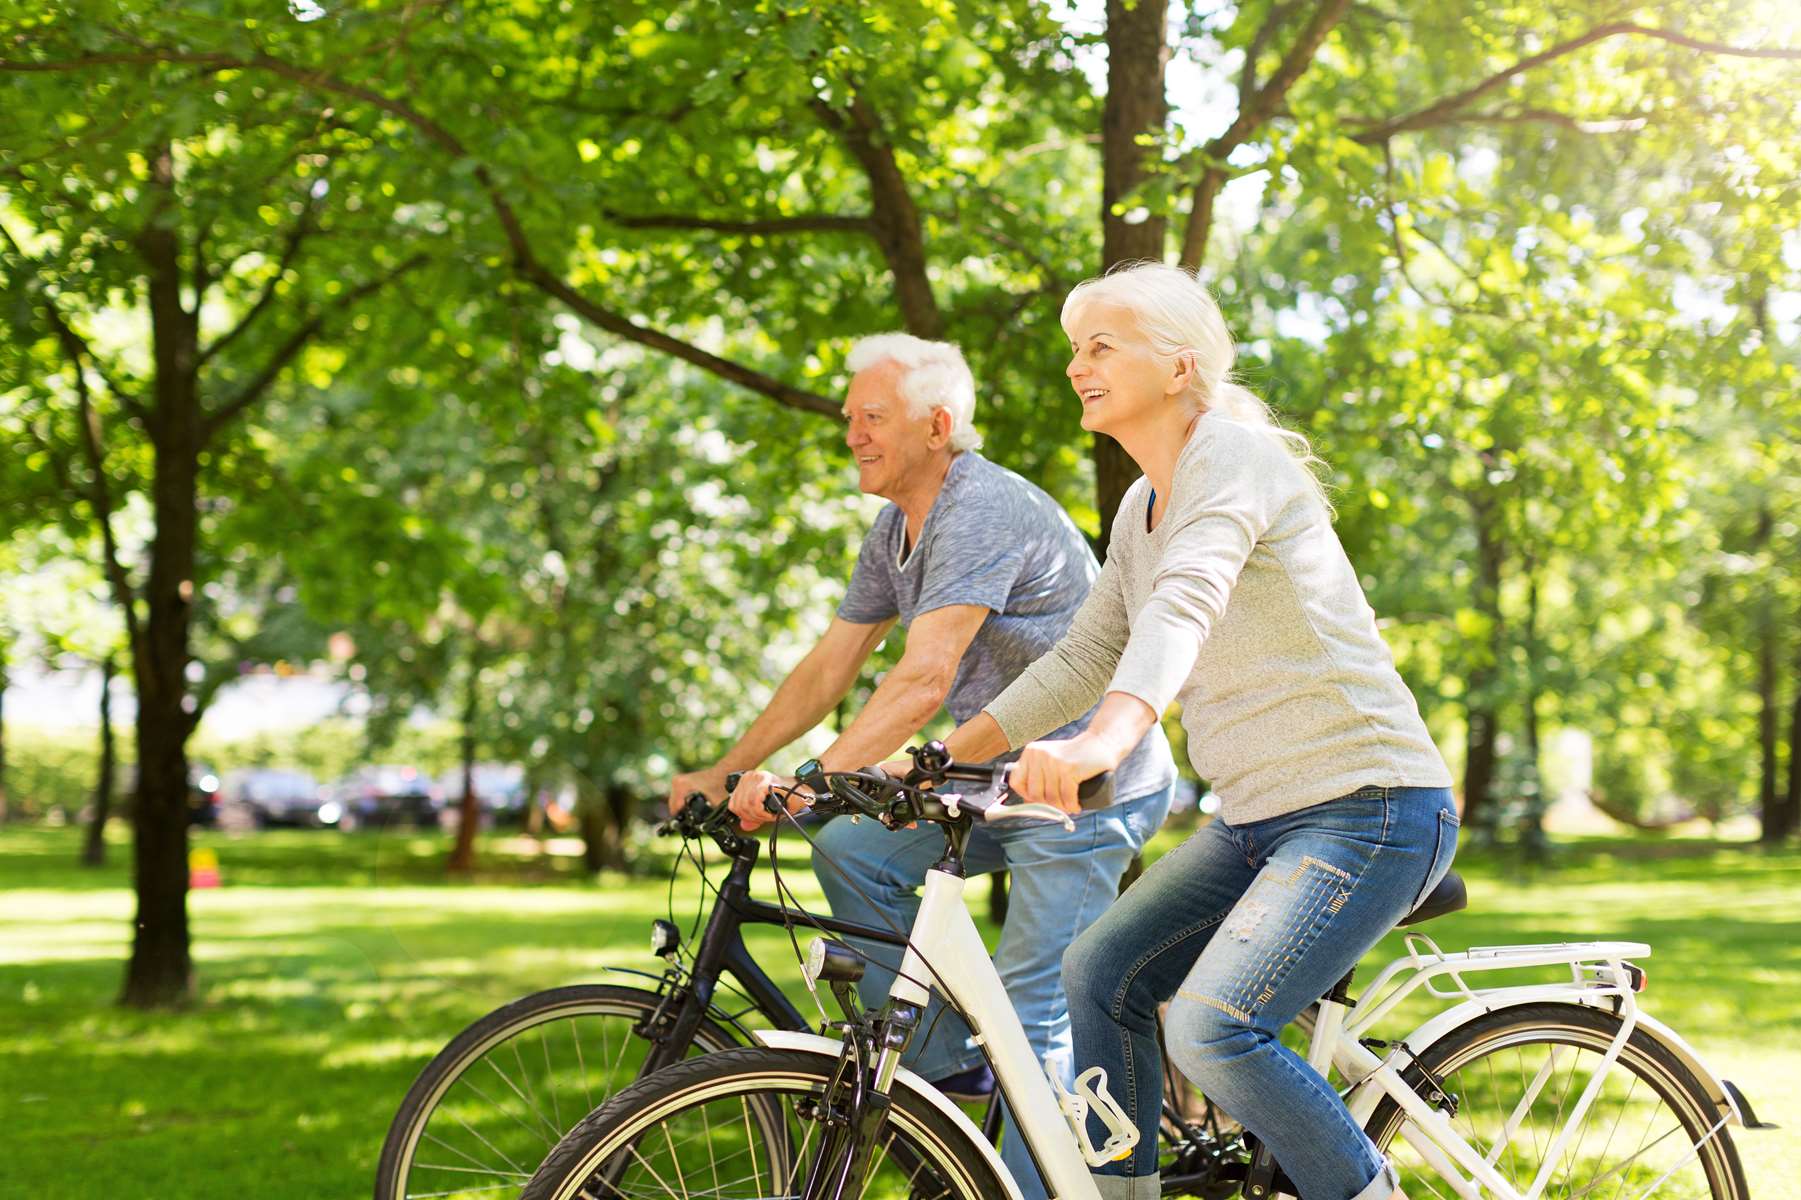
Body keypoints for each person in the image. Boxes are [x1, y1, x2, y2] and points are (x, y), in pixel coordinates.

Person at [934, 263, 1457, 1200]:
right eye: (1071, 349)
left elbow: (1184, 608)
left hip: (1367, 806)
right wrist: (934, 757)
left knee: (1211, 1027)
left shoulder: (1237, 461)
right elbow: (1081, 657)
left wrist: (1102, 746)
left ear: (1178, 368)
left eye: (1101, 345)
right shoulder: (1142, 506)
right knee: (1098, 970)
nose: (1075, 367)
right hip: (1258, 820)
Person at [670, 332, 1176, 1200]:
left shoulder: (979, 508)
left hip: (1082, 782)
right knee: (851, 850)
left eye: (872, 417)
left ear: (937, 425)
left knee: (1030, 1014)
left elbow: (921, 680)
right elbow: (829, 667)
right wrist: (730, 767)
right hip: (986, 780)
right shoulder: (895, 526)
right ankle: (948, 1079)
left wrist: (809, 780)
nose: (852, 434)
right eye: (847, 419)